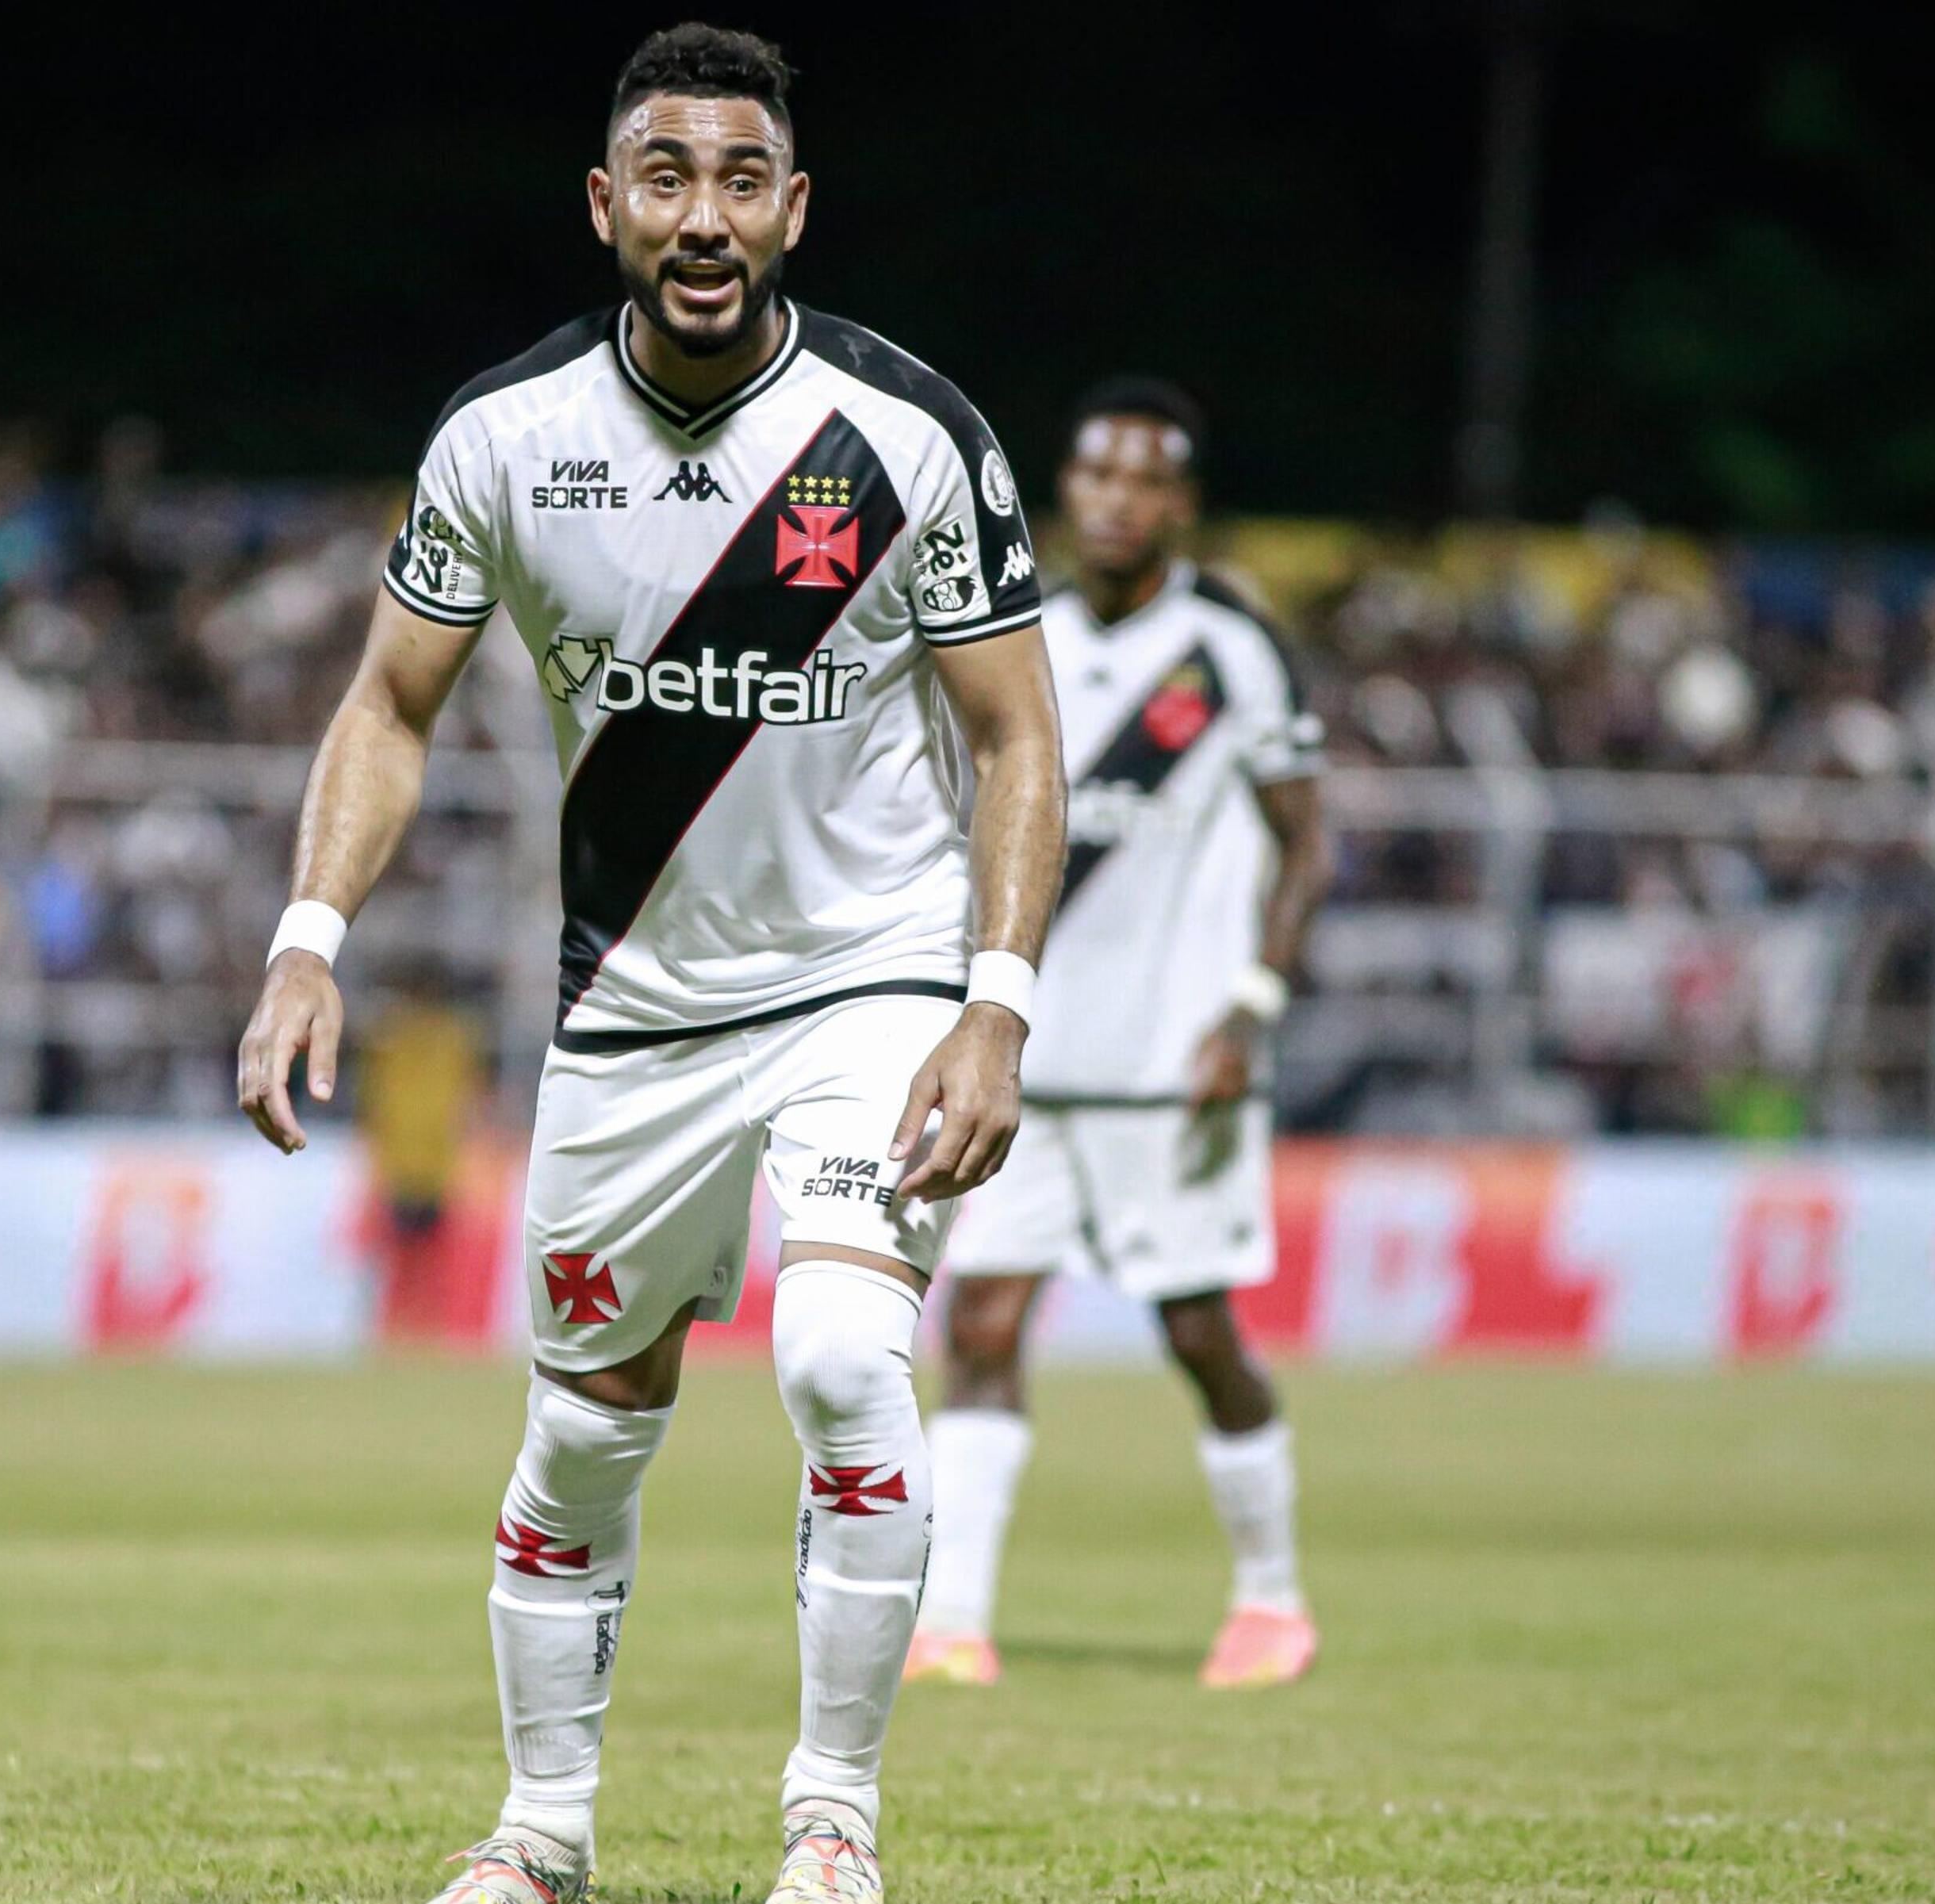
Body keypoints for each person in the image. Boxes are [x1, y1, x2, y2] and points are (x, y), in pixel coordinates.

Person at [234, 25, 1064, 1904]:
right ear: (610, 207)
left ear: (793, 207)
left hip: (874, 981)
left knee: (851, 1360)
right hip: (633, 1013)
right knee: (585, 1439)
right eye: (667, 178)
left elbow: (1020, 738)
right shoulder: (504, 443)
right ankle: (542, 1838)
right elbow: (387, 703)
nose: (706, 216)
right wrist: (307, 944)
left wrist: (996, 1001)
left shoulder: (907, 437)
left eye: (741, 177)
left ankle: (832, 1829)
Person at [904, 379, 1333, 1693]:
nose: (1113, 500)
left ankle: (1271, 1600)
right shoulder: (1009, 629)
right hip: (1024, 1058)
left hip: (1168, 1067)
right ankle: (953, 1620)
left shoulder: (1231, 650)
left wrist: (1253, 1005)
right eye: (1093, 475)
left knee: (1199, 1331)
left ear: (1180, 505)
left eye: (1143, 481)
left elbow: (1307, 840)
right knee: (981, 1322)